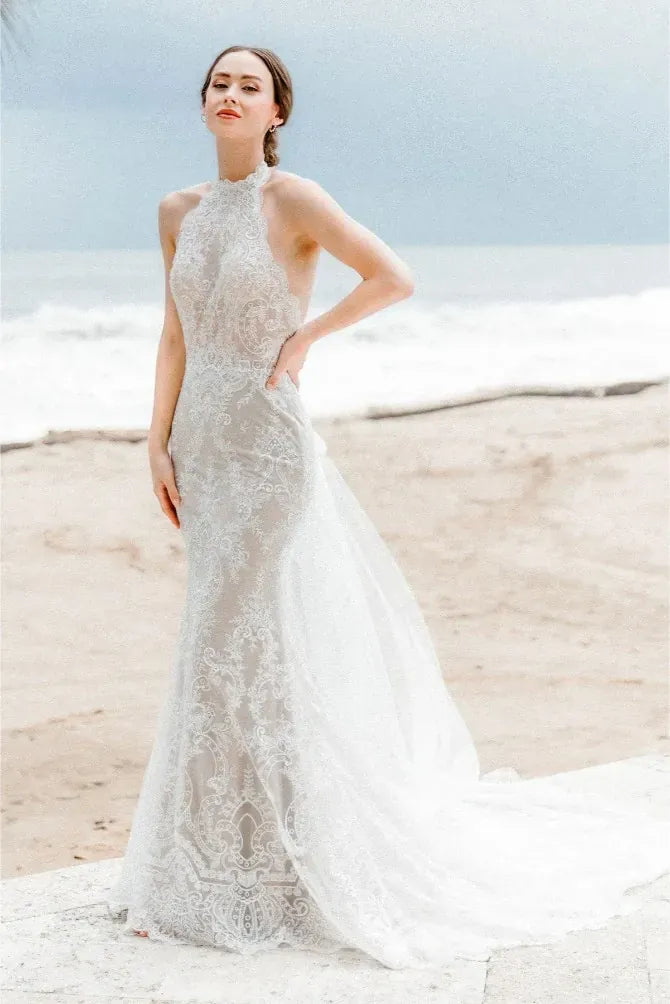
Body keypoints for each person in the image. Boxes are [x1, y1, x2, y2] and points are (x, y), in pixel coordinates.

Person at [106, 45, 668, 971]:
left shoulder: (294, 201)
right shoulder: (178, 212)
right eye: (218, 83)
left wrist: (303, 342)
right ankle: (203, 865)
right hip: (203, 441)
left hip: (269, 441)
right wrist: (154, 440)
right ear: (204, 104)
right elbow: (173, 332)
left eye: (249, 85)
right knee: (219, 638)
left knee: (232, 633)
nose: (231, 95)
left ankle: (279, 865)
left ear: (276, 110)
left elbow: (393, 277)